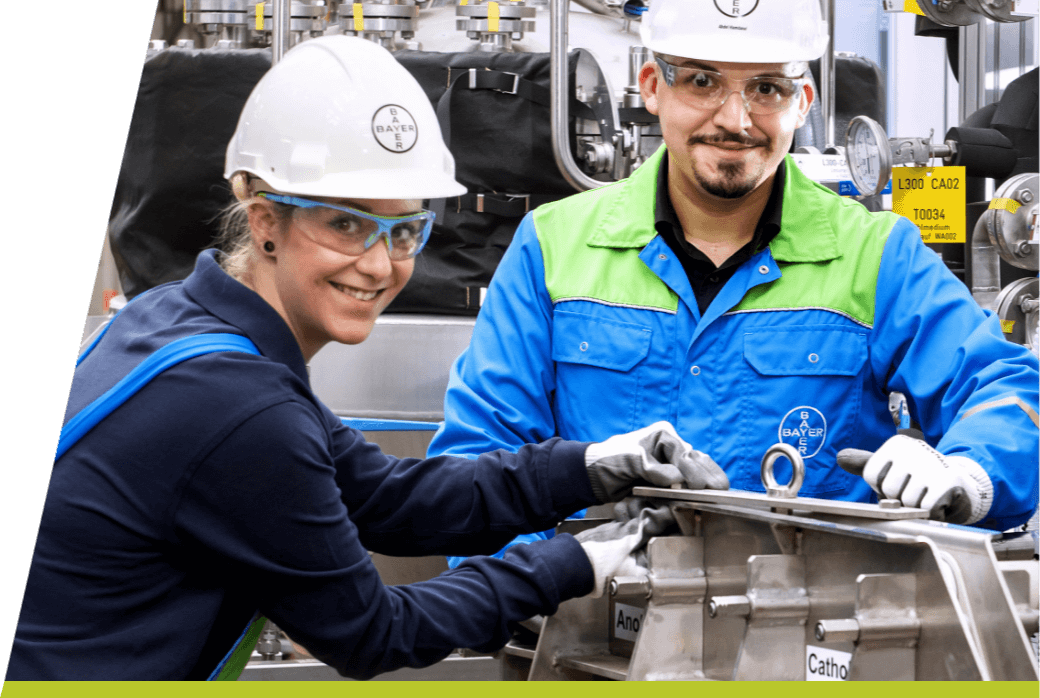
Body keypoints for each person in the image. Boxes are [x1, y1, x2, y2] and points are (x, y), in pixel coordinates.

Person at [6, 36, 730, 680]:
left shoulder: (176, 319)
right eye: (346, 224)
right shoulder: (238, 406)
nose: (379, 265)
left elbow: (387, 501)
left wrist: (592, 464)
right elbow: (374, 634)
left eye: (405, 228)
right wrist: (583, 562)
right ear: (266, 222)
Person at [428, 0, 1039, 534]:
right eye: (701, 81)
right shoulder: (553, 246)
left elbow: (1006, 390)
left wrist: (968, 471)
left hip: (811, 637)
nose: (735, 119)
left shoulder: (878, 256)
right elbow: (479, 457)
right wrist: (541, 600)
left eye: (767, 88)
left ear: (804, 102)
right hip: (593, 632)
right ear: (651, 86)